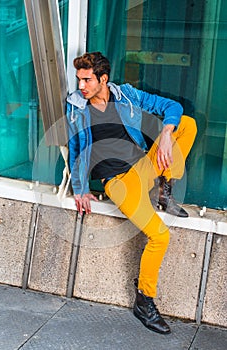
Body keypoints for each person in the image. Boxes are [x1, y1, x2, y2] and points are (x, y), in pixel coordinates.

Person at [66, 52, 197, 334]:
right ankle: (144, 300)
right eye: (79, 80)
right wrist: (80, 189)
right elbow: (76, 149)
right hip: (119, 183)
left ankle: (165, 188)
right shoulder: (76, 108)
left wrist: (165, 134)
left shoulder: (126, 95)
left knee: (187, 124)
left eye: (87, 80)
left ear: (103, 78)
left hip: (143, 167)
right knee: (159, 235)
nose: (81, 86)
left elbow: (171, 106)